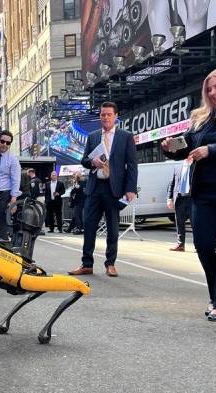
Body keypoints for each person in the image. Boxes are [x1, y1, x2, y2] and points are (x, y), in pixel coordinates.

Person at [161, 66, 216, 321]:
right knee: (203, 246)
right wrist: (170, 148)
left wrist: (210, 150)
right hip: (201, 193)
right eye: (209, 88)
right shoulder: (200, 118)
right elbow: (187, 146)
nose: (213, 92)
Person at [68, 102, 138, 277]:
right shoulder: (92, 137)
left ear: (115, 116)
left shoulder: (126, 136)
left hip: (114, 188)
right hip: (94, 187)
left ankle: (110, 263)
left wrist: (130, 189)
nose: (105, 117)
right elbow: (84, 160)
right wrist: (93, 162)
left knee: (113, 228)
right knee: (89, 225)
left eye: (108, 114)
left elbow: (132, 164)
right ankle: (86, 264)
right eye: (102, 115)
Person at [0, 130, 22, 239]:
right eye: (3, 141)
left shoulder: (13, 160)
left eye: (8, 143)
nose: (5, 145)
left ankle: (2, 244)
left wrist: (13, 200)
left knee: (1, 221)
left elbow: (16, 180)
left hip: (4, 194)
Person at [166, 159, 192, 251]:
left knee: (196, 224)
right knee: (179, 223)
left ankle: (198, 246)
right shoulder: (177, 167)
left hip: (192, 199)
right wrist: (169, 198)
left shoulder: (196, 166)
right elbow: (172, 184)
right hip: (180, 199)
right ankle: (180, 245)